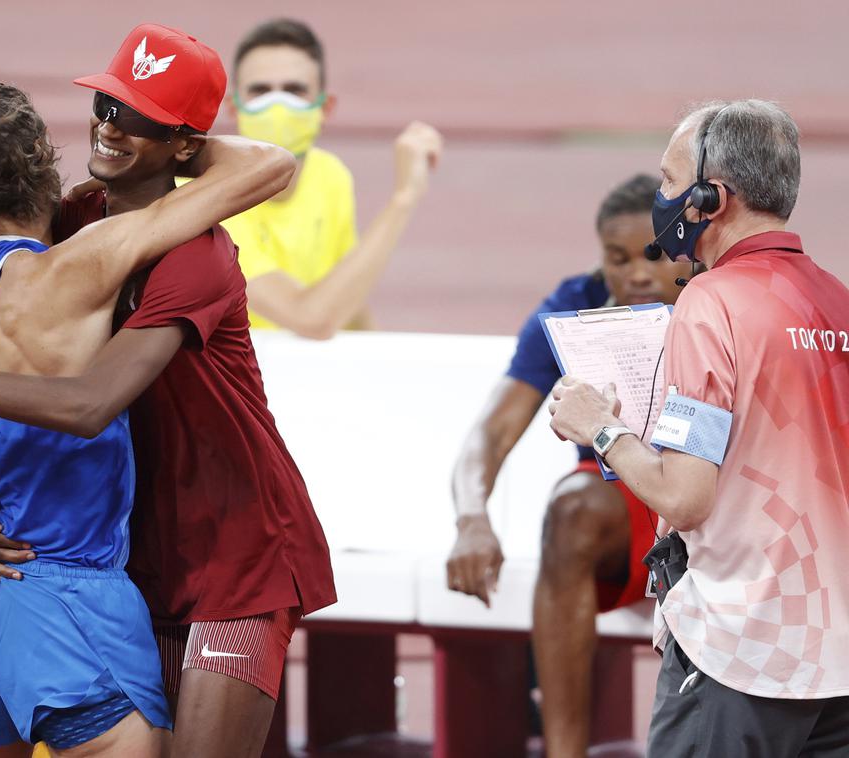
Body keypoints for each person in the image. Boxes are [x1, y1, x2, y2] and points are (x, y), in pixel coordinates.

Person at [0, 23, 416, 758]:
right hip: (136, 548)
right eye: (106, 106)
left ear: (186, 146)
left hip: (237, 550)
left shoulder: (195, 257)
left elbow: (88, 404)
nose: (110, 128)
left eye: (141, 119)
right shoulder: (73, 222)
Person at [549, 100, 849, 756]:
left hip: (742, 655)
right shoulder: (837, 300)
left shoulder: (712, 303)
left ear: (710, 196)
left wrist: (600, 429)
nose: (662, 196)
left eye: (668, 179)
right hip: (837, 663)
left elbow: (685, 494)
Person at [446, 174, 692, 756]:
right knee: (570, 507)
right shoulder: (569, 308)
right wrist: (471, 519)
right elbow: (491, 431)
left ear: (684, 250)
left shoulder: (719, 304)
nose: (637, 272)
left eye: (654, 254)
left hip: (709, 497)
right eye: (618, 257)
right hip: (621, 506)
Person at [223, 18, 442, 338]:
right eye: (260, 91)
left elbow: (346, 298)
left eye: (294, 90)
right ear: (233, 108)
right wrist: (404, 198)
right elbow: (310, 318)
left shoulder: (331, 176)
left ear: (325, 109)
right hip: (228, 381)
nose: (278, 106)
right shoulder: (209, 200)